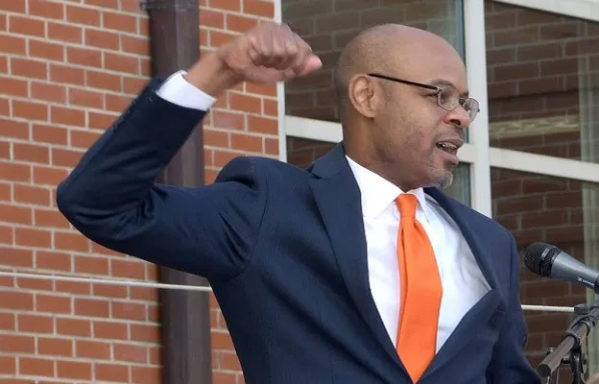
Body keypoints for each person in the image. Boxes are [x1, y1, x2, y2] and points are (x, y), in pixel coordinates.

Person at [57, 22, 539, 384]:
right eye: (440, 95)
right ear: (367, 96)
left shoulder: (488, 243)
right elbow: (100, 203)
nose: (460, 117)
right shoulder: (268, 207)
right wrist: (216, 73)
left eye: (465, 103)